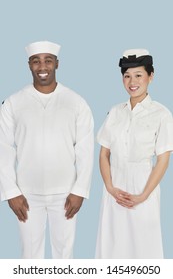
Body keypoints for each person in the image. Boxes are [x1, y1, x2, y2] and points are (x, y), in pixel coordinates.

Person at [0, 41, 94, 259]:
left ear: (57, 64)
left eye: (48, 61)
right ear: (29, 65)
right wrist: (11, 192)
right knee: (29, 256)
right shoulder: (13, 103)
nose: (42, 66)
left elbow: (86, 149)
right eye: (36, 61)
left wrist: (80, 190)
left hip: (66, 193)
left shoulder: (76, 102)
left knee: (65, 254)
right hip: (26, 194)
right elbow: (3, 148)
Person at [95, 49, 173, 259]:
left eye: (138, 75)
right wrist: (110, 187)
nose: (132, 81)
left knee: (144, 247)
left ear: (151, 76)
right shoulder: (115, 112)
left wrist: (144, 195)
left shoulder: (162, 114)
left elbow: (163, 159)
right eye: (127, 76)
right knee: (112, 245)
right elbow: (104, 154)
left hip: (143, 186)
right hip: (114, 189)